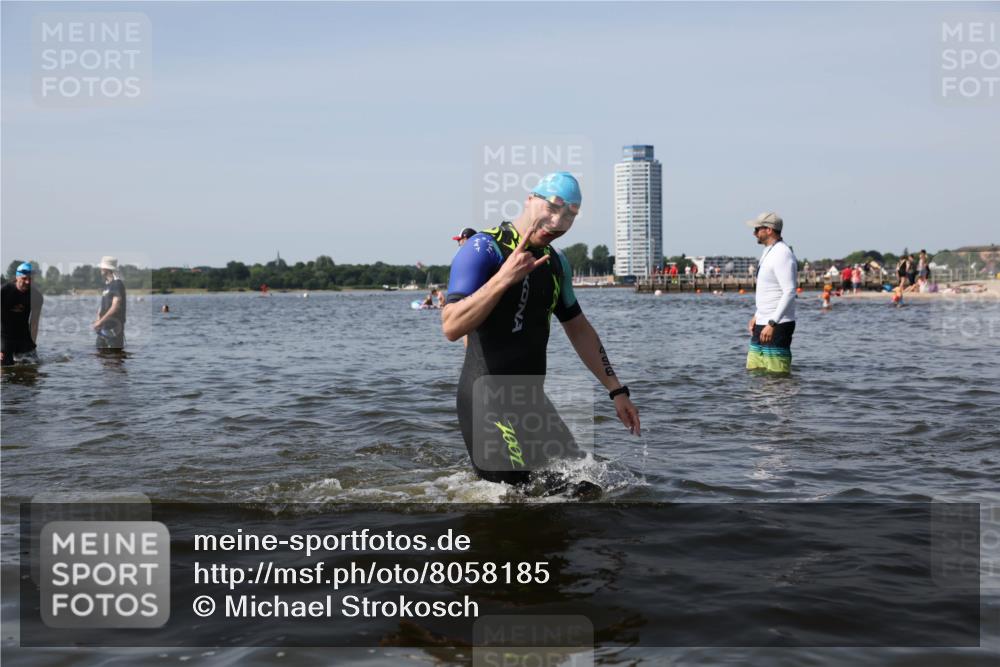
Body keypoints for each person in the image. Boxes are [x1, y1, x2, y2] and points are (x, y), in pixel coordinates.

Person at [442, 172, 640, 489]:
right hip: (487, 400)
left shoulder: (556, 262)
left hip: (531, 401)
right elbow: (451, 325)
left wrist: (616, 390)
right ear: (530, 200)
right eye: (552, 207)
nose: (557, 221)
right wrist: (503, 279)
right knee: (513, 501)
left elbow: (578, 328)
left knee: (586, 484)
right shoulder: (484, 249)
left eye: (570, 215)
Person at [745, 212, 798, 374]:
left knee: (777, 376)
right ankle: (760, 400)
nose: (754, 233)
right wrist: (757, 315)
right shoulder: (768, 251)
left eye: (757, 229)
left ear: (769, 230)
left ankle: (780, 400)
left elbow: (789, 291)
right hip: (763, 321)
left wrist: (772, 323)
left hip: (778, 324)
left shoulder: (782, 254)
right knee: (754, 371)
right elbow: (768, 289)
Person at [1, 262, 43, 366]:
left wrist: (33, 344)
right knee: (4, 369)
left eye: (30, 279)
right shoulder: (4, 292)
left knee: (33, 367)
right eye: (24, 278)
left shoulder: (36, 296)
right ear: (17, 277)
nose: (28, 282)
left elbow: (34, 323)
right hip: (4, 336)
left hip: (23, 336)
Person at [92, 256, 127, 349]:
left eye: (102, 267)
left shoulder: (117, 284)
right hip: (103, 328)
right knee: (100, 358)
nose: (100, 269)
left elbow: (115, 307)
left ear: (106, 269)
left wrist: (99, 322)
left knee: (114, 360)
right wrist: (98, 318)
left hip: (114, 329)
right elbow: (103, 305)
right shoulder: (107, 284)